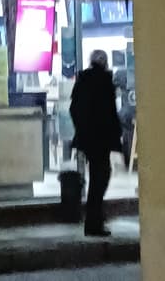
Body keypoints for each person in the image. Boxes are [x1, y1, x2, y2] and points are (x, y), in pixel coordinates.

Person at [69, 49, 123, 237]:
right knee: (100, 178)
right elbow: (110, 113)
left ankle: (94, 220)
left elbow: (74, 109)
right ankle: (94, 222)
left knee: (97, 177)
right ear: (104, 62)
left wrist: (82, 130)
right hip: (102, 138)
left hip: (88, 139)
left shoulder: (83, 80)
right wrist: (116, 135)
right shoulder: (105, 81)